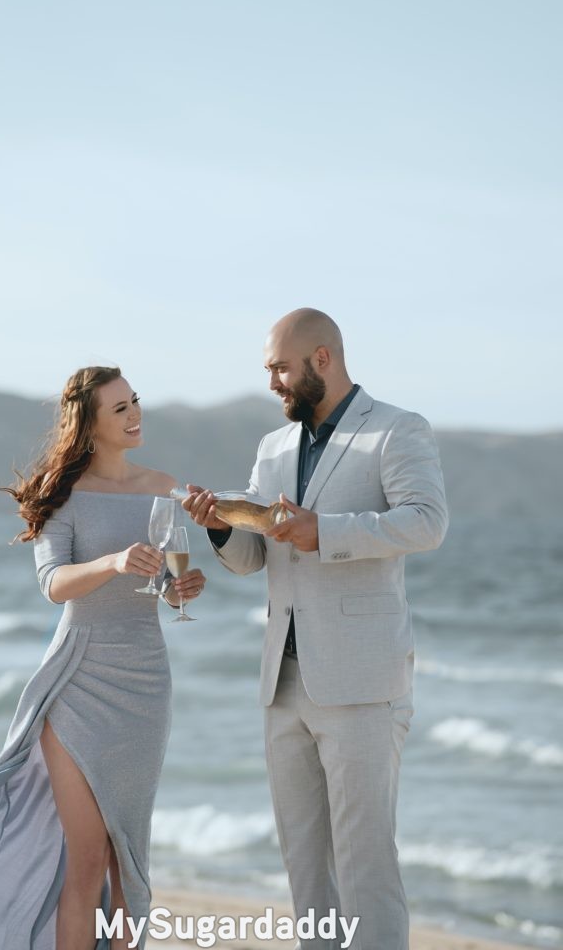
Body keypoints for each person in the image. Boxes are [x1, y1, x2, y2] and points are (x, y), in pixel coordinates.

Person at [0, 365, 205, 950]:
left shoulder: (162, 486)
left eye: (134, 401)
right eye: (119, 409)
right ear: (88, 424)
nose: (135, 414)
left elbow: (158, 576)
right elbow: (54, 583)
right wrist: (113, 561)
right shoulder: (60, 494)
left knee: (128, 860)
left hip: (146, 683)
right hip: (78, 680)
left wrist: (175, 589)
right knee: (86, 860)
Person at [183, 309, 448, 950]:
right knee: (306, 873)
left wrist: (323, 529)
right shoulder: (272, 449)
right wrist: (219, 525)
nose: (272, 380)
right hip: (284, 681)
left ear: (322, 359)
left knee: (365, 869)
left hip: (362, 681)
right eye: (269, 369)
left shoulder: (395, 429)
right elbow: (253, 560)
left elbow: (426, 522)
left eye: (281, 366)